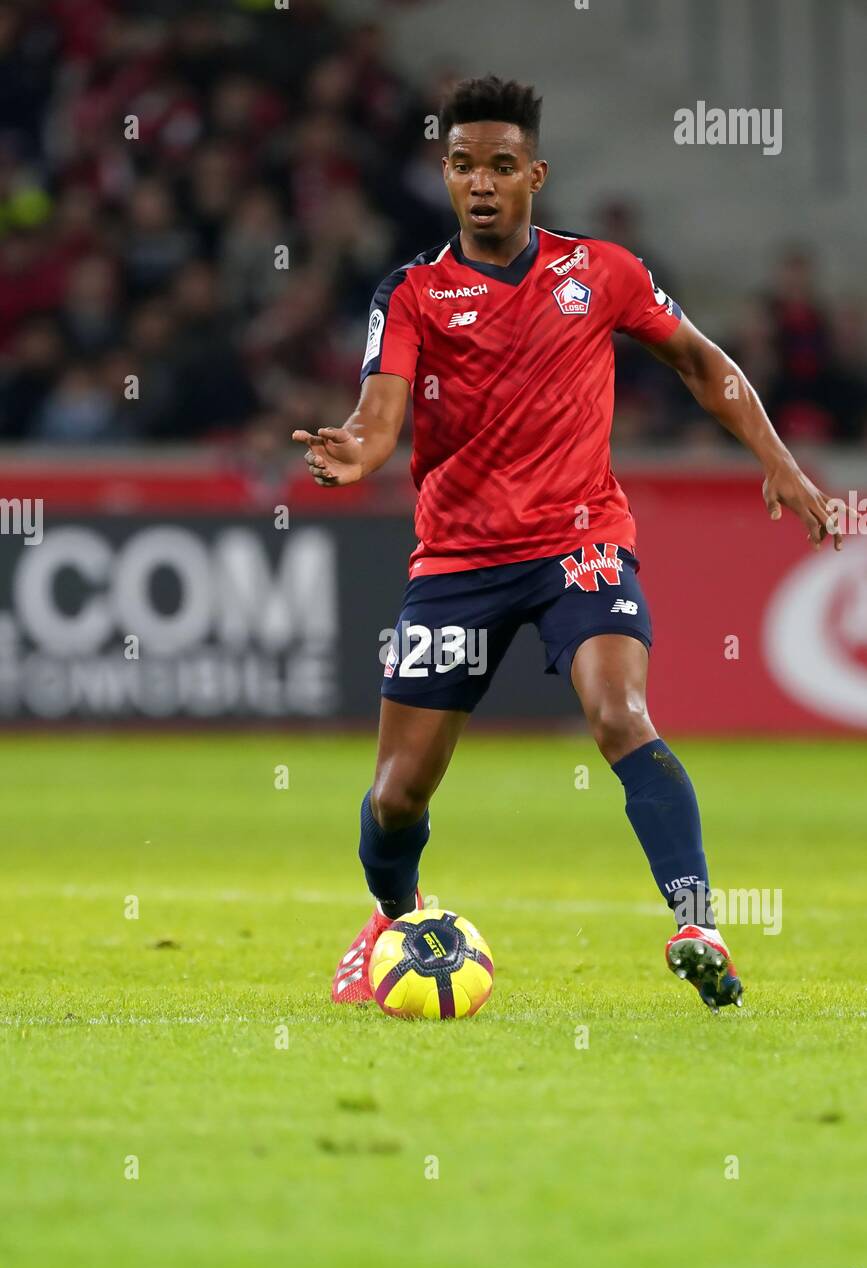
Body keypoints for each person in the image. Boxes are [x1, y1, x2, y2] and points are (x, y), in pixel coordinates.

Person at [293, 76, 841, 1013]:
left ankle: (696, 921)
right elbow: (379, 415)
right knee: (395, 799)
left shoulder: (602, 272)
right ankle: (391, 916)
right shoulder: (415, 293)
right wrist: (358, 450)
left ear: (533, 176)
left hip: (578, 544)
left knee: (620, 713)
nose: (481, 184)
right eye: (464, 166)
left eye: (501, 167)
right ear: (447, 173)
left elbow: (704, 364)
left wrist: (780, 462)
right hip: (457, 564)